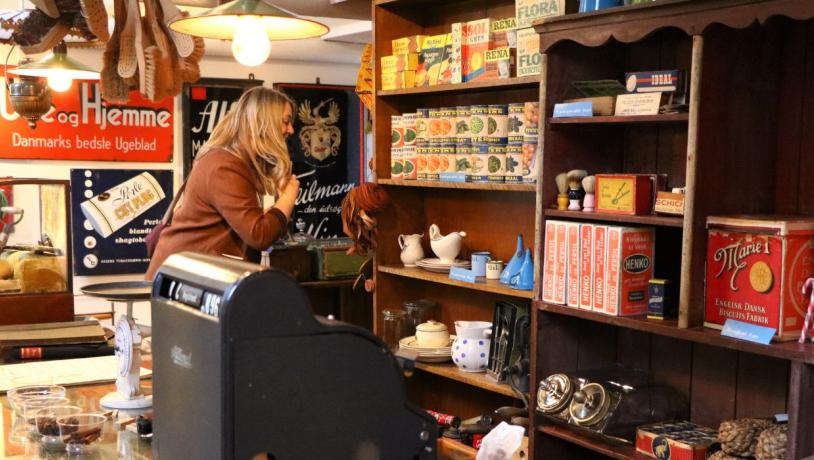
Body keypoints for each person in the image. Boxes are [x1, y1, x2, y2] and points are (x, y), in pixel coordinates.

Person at [145, 86, 299, 279]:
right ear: (263, 121)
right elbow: (259, 235)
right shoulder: (225, 167)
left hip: (191, 276)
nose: (290, 130)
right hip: (184, 280)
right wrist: (288, 196)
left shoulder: (228, 160)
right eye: (285, 121)